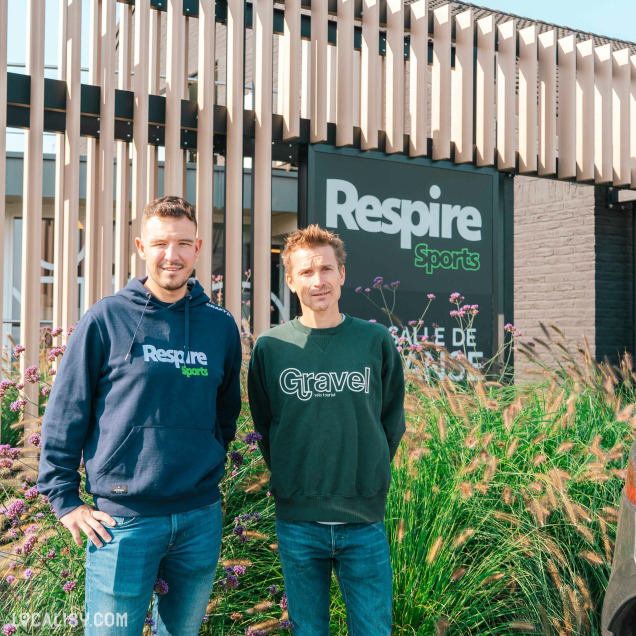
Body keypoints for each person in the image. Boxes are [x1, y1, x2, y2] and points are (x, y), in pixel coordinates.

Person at [37, 196, 242, 636]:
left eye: (184, 243)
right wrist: (65, 500)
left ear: (199, 248)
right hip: (122, 522)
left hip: (199, 517)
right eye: (161, 243)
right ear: (140, 247)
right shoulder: (105, 318)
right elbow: (66, 410)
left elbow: (225, 413)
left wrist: (200, 459)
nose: (173, 255)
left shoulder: (219, 326)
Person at [247, 224, 406, 635]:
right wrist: (294, 477)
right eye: (306, 272)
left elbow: (391, 419)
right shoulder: (271, 347)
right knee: (307, 630)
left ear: (342, 275)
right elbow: (265, 426)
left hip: (363, 519)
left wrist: (365, 473)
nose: (318, 281)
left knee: (373, 629)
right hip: (298, 522)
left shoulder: (375, 340)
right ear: (290, 280)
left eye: (326, 270)